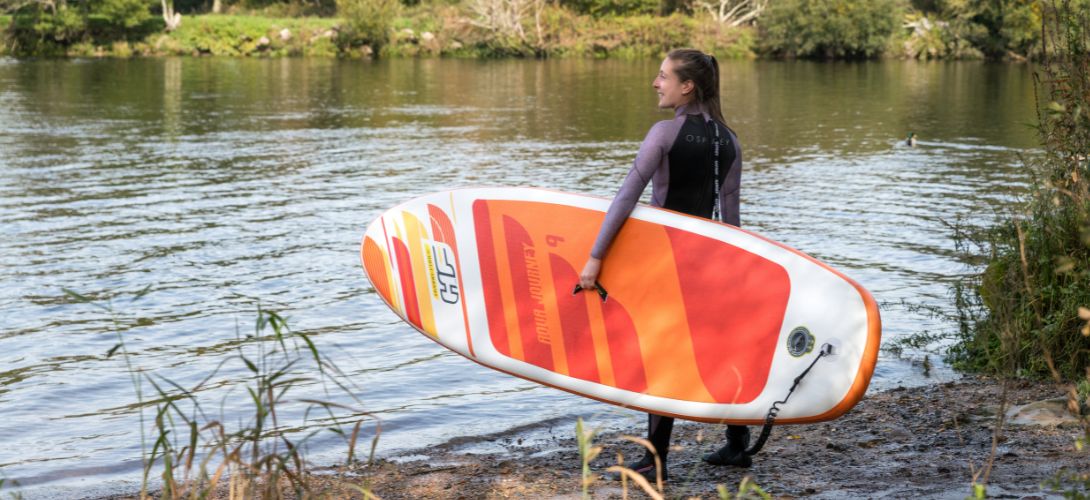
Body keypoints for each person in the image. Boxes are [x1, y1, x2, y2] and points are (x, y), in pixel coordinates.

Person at [577, 48, 751, 482]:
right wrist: (735, 273)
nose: (656, 83)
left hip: (668, 263)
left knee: (661, 356)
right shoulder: (730, 140)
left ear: (686, 85)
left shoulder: (664, 134)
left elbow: (626, 197)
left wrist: (596, 257)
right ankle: (736, 446)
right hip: (713, 263)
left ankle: (655, 461)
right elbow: (731, 219)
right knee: (717, 348)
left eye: (663, 76)